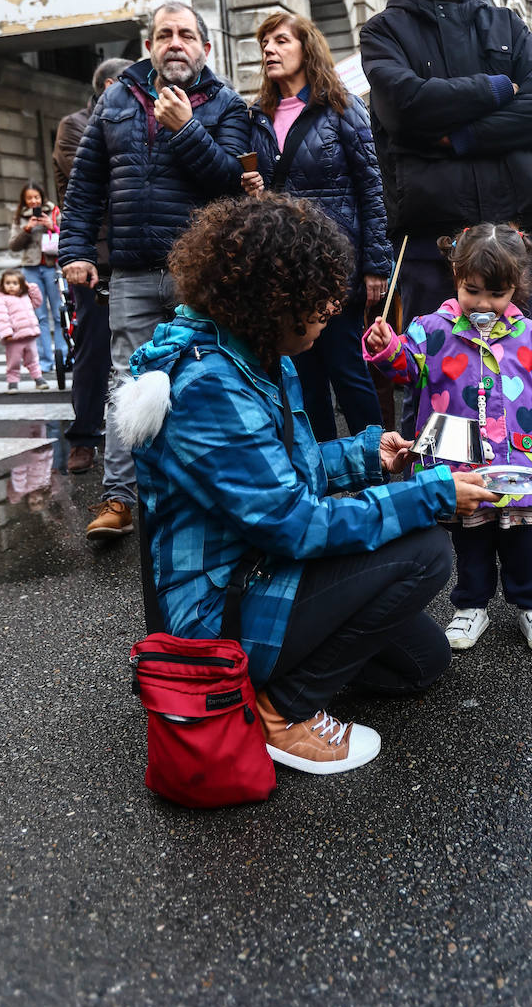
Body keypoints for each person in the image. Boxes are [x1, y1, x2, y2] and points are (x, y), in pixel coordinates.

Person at [118, 193, 496, 774]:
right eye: (320, 300)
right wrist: (432, 494)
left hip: (254, 568)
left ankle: (289, 667)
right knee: (425, 553)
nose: (330, 311)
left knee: (422, 663)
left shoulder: (257, 353)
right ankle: (279, 712)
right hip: (216, 609)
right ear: (276, 300)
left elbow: (279, 469)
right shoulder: (209, 385)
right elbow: (294, 523)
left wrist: (372, 455)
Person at [359, 0, 532, 568]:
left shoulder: (505, 23)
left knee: (518, 381)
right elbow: (403, 108)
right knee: (439, 389)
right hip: (432, 242)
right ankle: (446, 511)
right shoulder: (383, 30)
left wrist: (457, 137)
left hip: (508, 235)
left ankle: (531, 506)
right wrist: (492, 92)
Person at [59, 1, 249, 542]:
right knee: (127, 380)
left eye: (186, 34)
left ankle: (209, 494)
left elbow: (231, 185)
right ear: (149, 46)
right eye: (164, 34)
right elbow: (85, 185)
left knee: (207, 378)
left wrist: (186, 129)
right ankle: (119, 498)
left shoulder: (227, 104)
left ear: (205, 48)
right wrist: (75, 249)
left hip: (201, 275)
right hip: (134, 270)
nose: (174, 43)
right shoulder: (117, 98)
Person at [363, 223, 532, 654]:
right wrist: (386, 346)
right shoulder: (431, 330)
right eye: (473, 291)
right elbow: (404, 372)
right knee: (470, 539)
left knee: (527, 540)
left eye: (497, 294)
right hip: (458, 461)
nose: (483, 304)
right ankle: (471, 605)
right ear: (456, 278)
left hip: (519, 462)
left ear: (515, 288)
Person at [242, 11, 391, 441]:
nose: (269, 49)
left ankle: (373, 461)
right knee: (301, 376)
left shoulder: (342, 106)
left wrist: (375, 264)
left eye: (281, 41)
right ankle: (320, 469)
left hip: (336, 263)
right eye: (265, 43)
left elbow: (371, 188)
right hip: (284, 265)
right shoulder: (258, 117)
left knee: (346, 368)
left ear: (307, 49)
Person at [52, 57, 130, 474]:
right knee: (94, 346)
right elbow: (97, 183)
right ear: (111, 83)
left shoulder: (134, 116)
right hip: (92, 258)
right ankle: (83, 437)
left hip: (132, 251)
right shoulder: (74, 125)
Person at [8, 182, 63, 377]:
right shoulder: (20, 217)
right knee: (39, 317)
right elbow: (13, 245)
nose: (33, 201)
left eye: (36, 197)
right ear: (24, 200)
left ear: (42, 197)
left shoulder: (54, 211)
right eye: (29, 198)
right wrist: (27, 229)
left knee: (59, 314)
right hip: (30, 270)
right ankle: (45, 361)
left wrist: (53, 226)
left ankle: (62, 358)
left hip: (52, 268)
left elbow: (68, 237)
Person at [0, 271, 50, 391]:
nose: (11, 286)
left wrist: (31, 288)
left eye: (15, 283)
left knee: (33, 359)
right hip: (13, 338)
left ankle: (38, 379)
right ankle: (12, 382)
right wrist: (6, 333)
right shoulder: (1, 300)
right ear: (2, 285)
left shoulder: (25, 297)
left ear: (21, 284)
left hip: (29, 335)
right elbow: (1, 318)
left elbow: (37, 302)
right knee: (13, 362)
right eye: (7, 283)